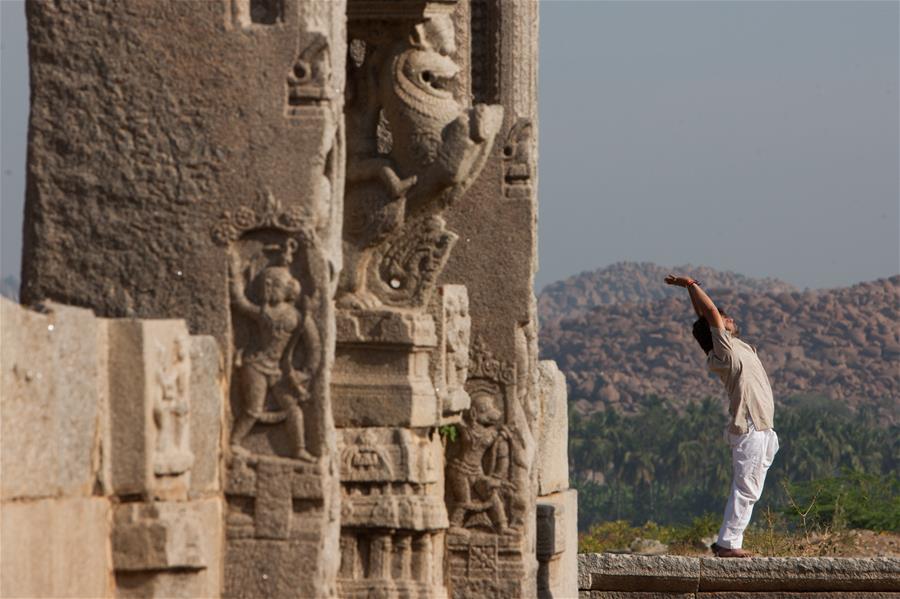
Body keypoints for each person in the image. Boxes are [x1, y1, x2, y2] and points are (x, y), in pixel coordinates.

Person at [665, 274, 779, 558]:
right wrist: (691, 285)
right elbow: (711, 313)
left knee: (752, 489)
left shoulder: (737, 347)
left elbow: (706, 314)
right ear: (719, 330)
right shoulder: (724, 351)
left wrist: (692, 294)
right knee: (746, 488)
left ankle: (728, 542)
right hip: (750, 425)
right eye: (725, 319)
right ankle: (727, 544)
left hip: (763, 427)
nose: (729, 319)